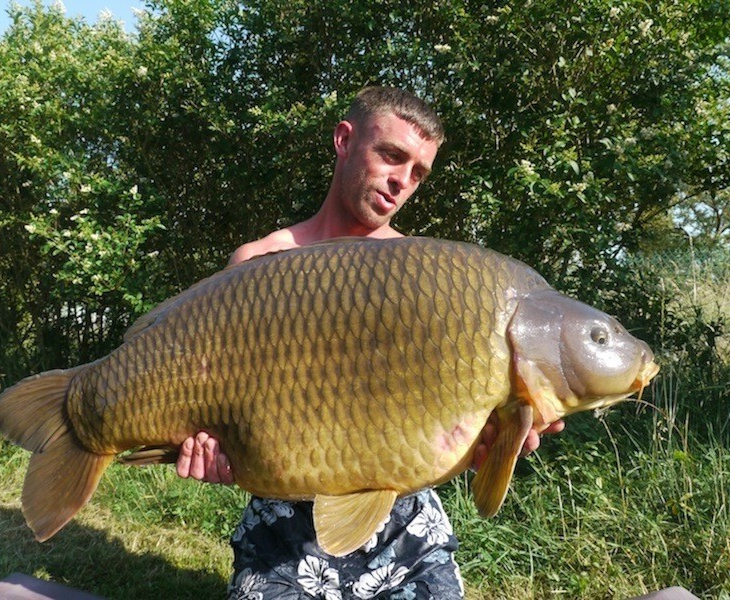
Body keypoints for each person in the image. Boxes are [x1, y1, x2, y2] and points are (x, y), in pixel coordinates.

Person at [176, 86, 564, 599]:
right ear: (343, 139)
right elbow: (212, 412)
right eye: (392, 156)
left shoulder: (426, 279)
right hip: (283, 527)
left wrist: (490, 444)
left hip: (404, 529)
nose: (402, 181)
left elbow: (445, 426)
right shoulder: (256, 265)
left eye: (419, 172)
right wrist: (214, 454)